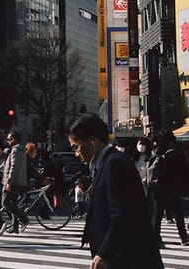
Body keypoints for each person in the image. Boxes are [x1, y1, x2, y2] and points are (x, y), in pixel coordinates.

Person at [68, 114, 163, 269]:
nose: (76, 154)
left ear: (92, 141)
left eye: (76, 147)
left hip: (127, 258)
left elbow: (122, 214)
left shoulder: (114, 164)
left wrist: (105, 252)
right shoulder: (107, 163)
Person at [148, 129, 189, 247]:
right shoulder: (172, 154)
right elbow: (178, 172)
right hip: (170, 188)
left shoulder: (157, 152)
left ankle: (155, 239)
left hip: (157, 188)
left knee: (157, 215)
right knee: (178, 213)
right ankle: (183, 237)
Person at [0, 131, 29, 237]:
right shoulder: (20, 150)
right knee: (13, 203)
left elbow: (13, 168)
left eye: (9, 139)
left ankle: (24, 219)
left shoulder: (15, 151)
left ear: (14, 140)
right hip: (18, 181)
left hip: (13, 182)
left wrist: (8, 182)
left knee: (5, 202)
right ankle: (15, 226)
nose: (7, 141)